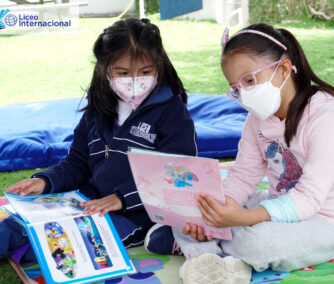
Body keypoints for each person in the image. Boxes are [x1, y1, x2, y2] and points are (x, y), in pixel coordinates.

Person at [144, 23, 334, 284]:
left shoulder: (326, 118)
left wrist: (243, 218)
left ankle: (201, 249)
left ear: (283, 69)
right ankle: (217, 257)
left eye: (250, 81)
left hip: (329, 222)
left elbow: (309, 199)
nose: (243, 94)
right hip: (279, 204)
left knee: (259, 244)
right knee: (197, 206)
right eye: (236, 88)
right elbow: (242, 176)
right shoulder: (256, 119)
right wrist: (215, 210)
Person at [1, 18, 197, 265]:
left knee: (54, 250)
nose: (135, 81)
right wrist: (45, 181)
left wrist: (122, 198)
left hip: (137, 215)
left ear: (159, 65)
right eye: (123, 73)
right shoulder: (98, 109)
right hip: (87, 200)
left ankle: (167, 236)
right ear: (104, 69)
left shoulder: (172, 114)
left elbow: (178, 176)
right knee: (13, 226)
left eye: (145, 72)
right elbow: (78, 162)